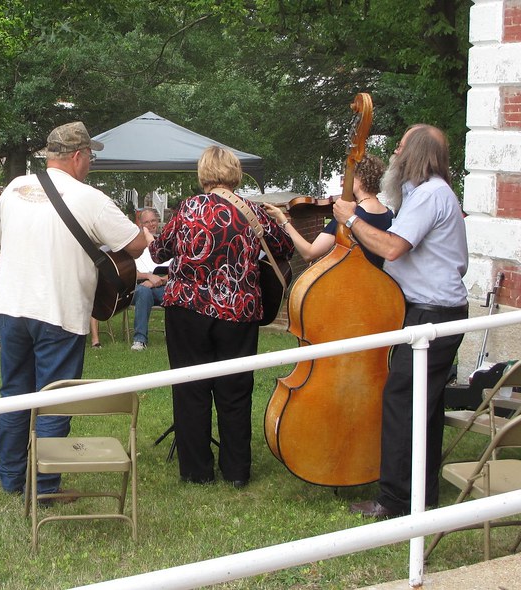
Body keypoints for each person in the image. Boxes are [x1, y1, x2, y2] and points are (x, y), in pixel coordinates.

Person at [0, 121, 150, 498]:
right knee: (55, 400)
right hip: (59, 311)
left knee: (15, 393)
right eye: (90, 156)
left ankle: (11, 478)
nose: (91, 162)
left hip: (11, 307)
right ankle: (43, 486)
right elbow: (137, 244)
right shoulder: (91, 198)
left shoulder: (14, 189)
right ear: (78, 156)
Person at [334, 125, 468, 519]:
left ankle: (393, 500)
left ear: (416, 154)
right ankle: (422, 494)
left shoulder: (429, 195)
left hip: (431, 313)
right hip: (435, 310)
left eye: (402, 146)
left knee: (402, 403)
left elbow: (393, 248)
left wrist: (353, 219)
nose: (394, 151)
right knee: (424, 407)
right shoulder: (426, 193)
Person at [150, 146, 294, 488]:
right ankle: (236, 471)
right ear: (235, 173)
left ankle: (196, 471)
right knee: (235, 390)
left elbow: (159, 251)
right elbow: (285, 249)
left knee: (190, 389)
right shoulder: (253, 212)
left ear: (203, 174)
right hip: (238, 310)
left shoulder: (188, 208)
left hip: (187, 308)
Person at [264, 153, 393, 268]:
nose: (342, 184)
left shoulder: (348, 217)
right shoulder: (389, 214)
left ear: (361, 178)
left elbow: (309, 253)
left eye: (346, 178)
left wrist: (283, 220)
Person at [130, 207, 170, 351]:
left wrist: (161, 280)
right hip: (138, 286)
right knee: (143, 292)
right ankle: (139, 340)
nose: (151, 224)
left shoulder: (165, 244)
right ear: (140, 225)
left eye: (153, 220)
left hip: (162, 285)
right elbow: (129, 272)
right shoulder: (134, 246)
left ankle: (173, 336)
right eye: (147, 222)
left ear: (158, 221)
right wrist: (148, 277)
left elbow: (176, 270)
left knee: (176, 293)